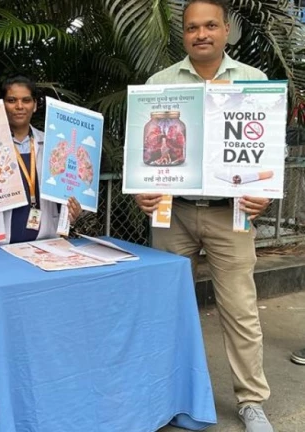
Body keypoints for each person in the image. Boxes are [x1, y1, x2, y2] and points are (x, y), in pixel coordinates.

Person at [134, 1, 274, 431]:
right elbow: (145, 151)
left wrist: (263, 194)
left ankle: (251, 401)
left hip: (229, 214)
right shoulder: (160, 83)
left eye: (210, 25)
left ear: (226, 30)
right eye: (193, 27)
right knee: (166, 308)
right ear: (184, 35)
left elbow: (268, 150)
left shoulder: (255, 81)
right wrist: (143, 186)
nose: (202, 34)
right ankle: (166, 394)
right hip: (170, 213)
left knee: (240, 310)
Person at [0, 76, 81, 244]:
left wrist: (72, 210)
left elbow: (66, 190)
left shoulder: (53, 145)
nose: (19, 106)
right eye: (12, 100)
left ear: (34, 105)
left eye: (26, 100)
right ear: (2, 105)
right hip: (1, 246)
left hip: (45, 242)